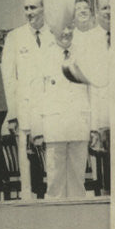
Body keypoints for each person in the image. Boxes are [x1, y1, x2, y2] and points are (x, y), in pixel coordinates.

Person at [31, 25, 92, 201]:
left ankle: (78, 224)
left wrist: (94, 126)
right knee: (54, 183)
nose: (65, 33)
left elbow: (92, 92)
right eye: (61, 29)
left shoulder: (84, 54)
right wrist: (37, 129)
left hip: (79, 124)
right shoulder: (43, 56)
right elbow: (36, 94)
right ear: (52, 31)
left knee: (77, 183)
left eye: (69, 28)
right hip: (54, 126)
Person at [0, 0, 45, 202]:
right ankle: (29, 204)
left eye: (33, 8)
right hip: (25, 112)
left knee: (51, 167)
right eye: (26, 8)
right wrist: (12, 114)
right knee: (28, 167)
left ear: (45, 8)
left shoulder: (53, 35)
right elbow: (8, 78)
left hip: (49, 112)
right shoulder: (15, 37)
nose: (29, 13)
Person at [85, 0, 111, 194]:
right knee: (104, 176)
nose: (109, 12)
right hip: (99, 115)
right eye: (104, 8)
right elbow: (88, 84)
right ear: (97, 11)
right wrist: (93, 124)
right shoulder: (89, 40)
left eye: (112, 7)